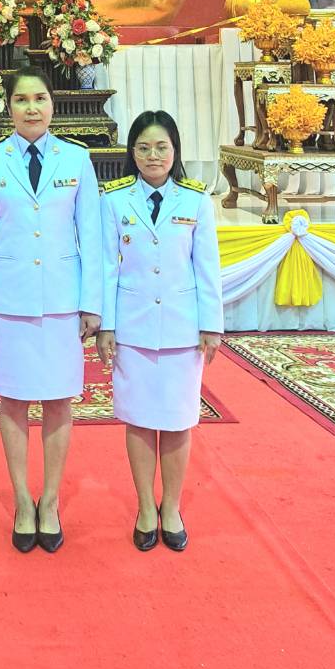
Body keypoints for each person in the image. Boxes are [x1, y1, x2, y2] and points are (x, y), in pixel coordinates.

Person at [0, 67, 102, 553]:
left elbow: (92, 234)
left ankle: (51, 500)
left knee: (59, 400)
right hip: (10, 300)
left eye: (40, 98)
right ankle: (23, 500)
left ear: (52, 104)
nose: (31, 108)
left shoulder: (77, 158)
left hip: (63, 300)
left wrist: (92, 303)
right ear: (8, 108)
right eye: (22, 99)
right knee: (13, 399)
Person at [96, 110, 223, 553]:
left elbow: (207, 268)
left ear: (175, 151)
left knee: (177, 420)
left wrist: (211, 325)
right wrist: (107, 326)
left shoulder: (195, 200)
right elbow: (106, 268)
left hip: (182, 328)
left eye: (161, 147)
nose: (153, 156)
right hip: (132, 328)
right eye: (144, 148)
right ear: (132, 153)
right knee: (138, 418)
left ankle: (171, 506)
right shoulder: (113, 200)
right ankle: (145, 507)